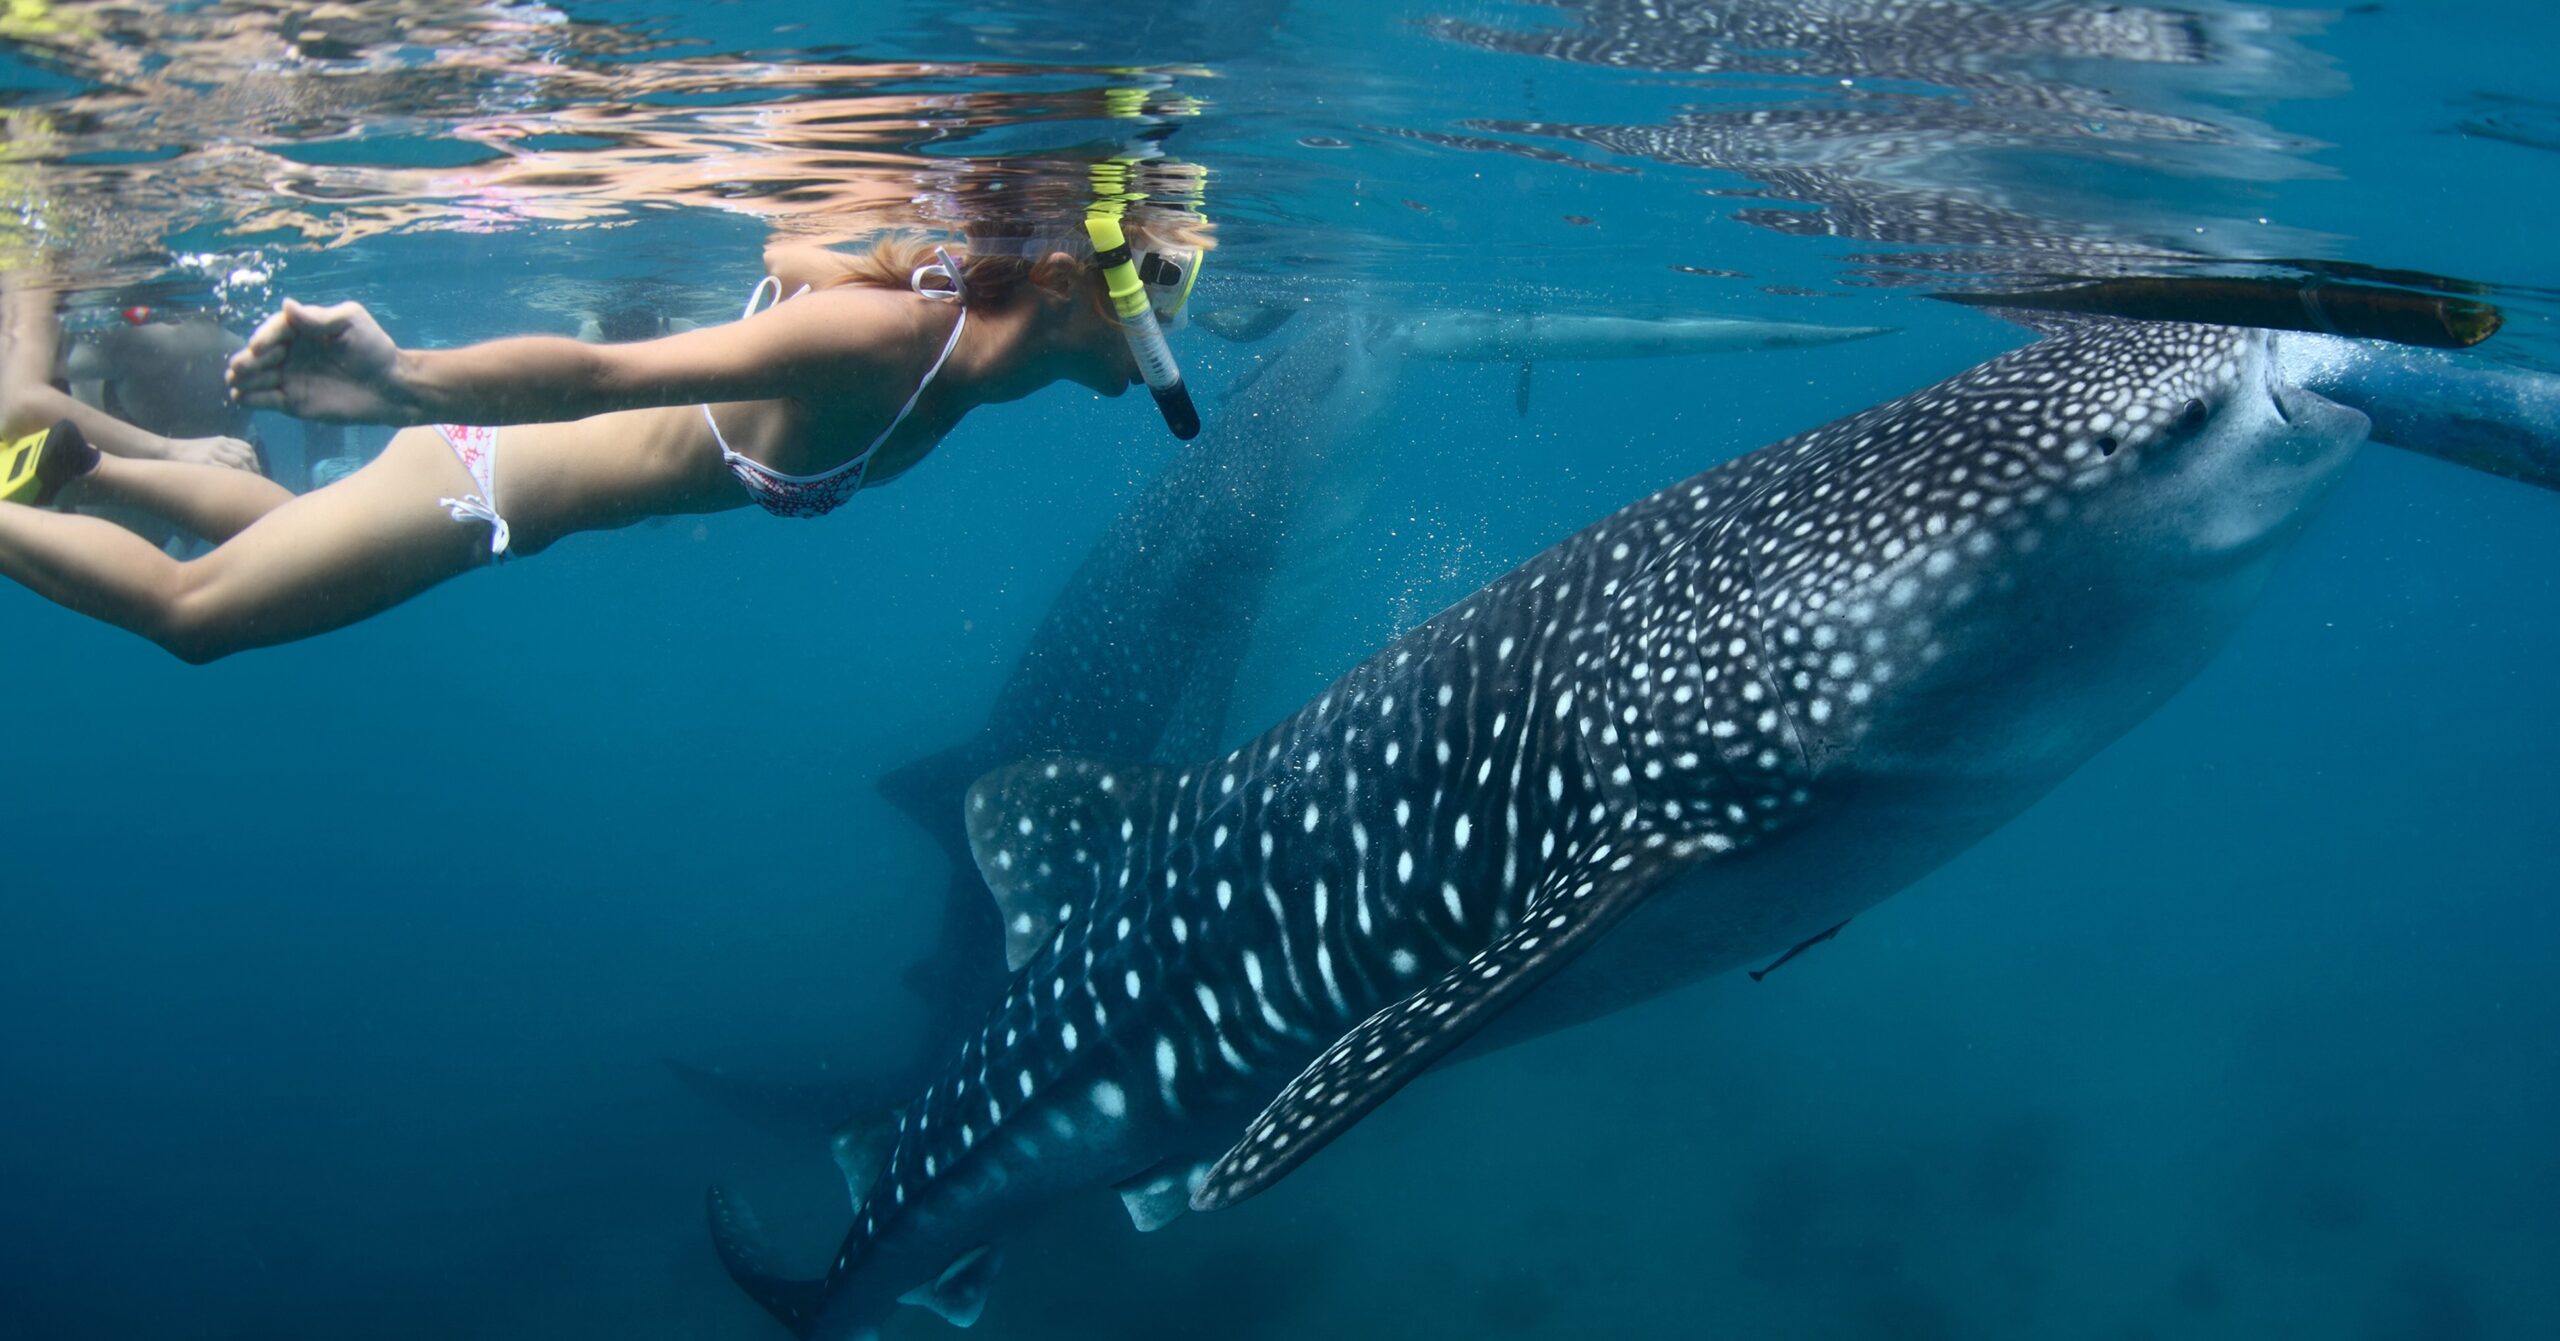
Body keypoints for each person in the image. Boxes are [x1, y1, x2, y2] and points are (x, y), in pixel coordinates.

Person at [0, 211, 1212, 662]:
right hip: (477, 478)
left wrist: (829, 257)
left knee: (281, 530)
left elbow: (787, 247)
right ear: (1063, 281)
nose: (1177, 325)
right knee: (193, 616)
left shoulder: (942, 338)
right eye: (1168, 290)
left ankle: (83, 464)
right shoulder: (893, 346)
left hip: (489, 506)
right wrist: (401, 376)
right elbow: (598, 374)